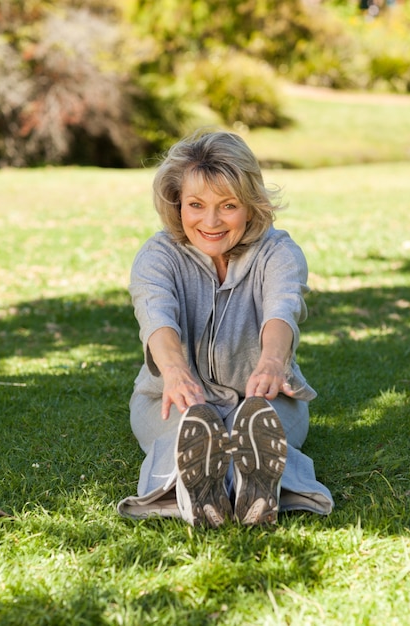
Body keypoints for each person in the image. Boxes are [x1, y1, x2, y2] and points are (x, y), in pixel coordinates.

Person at [117, 129, 334, 527]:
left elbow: (283, 307)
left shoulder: (277, 252)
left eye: (228, 205)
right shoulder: (157, 256)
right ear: (177, 203)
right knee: (186, 437)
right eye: (196, 204)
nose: (211, 221)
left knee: (254, 430)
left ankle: (241, 489)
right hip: (173, 399)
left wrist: (272, 361)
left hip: (268, 397)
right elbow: (156, 316)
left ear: (250, 206)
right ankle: (212, 491)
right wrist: (177, 373)